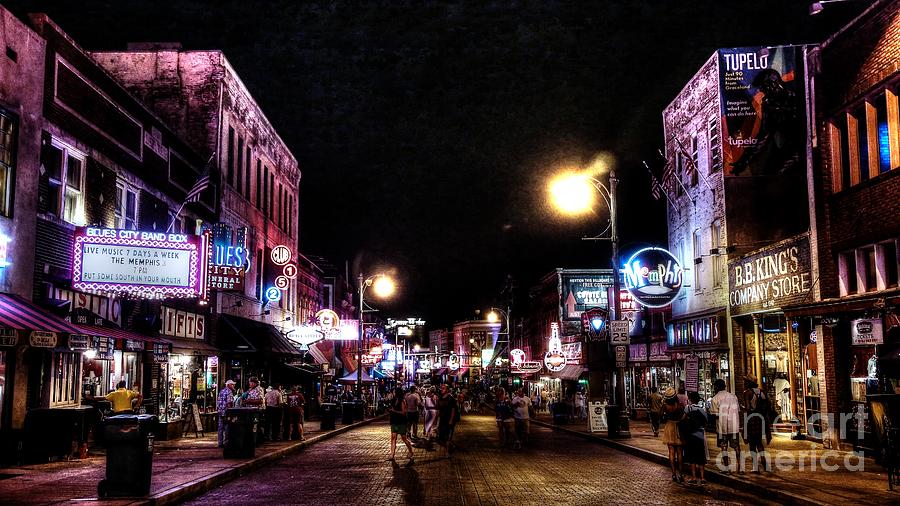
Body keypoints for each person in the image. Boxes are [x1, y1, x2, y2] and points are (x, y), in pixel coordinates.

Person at [709, 378, 742, 472]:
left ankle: (726, 467)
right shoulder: (733, 396)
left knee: (724, 447)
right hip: (734, 425)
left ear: (716, 387)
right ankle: (739, 467)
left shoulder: (715, 398)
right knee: (736, 446)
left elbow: (714, 414)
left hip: (722, 426)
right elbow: (738, 410)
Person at [742, 375, 772, 472]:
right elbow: (768, 405)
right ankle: (763, 461)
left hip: (751, 419)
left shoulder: (748, 393)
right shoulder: (762, 392)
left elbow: (747, 408)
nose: (744, 383)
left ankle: (755, 466)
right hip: (761, 419)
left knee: (752, 443)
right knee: (759, 442)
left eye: (746, 381)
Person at [680, 391, 709, 485]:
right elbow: (706, 421)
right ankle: (703, 477)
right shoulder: (701, 409)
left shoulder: (687, 408)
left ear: (690, 400)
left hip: (690, 435)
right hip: (700, 435)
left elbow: (683, 420)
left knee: (692, 456)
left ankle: (693, 477)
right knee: (700, 456)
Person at [660, 387, 685, 482]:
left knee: (671, 452)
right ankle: (681, 473)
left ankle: (674, 473)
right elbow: (683, 416)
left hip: (670, 426)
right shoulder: (679, 405)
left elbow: (660, 415)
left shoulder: (666, 406)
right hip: (678, 427)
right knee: (679, 452)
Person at [388, 387, 414, 463]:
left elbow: (404, 412)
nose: (393, 393)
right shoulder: (393, 400)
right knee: (393, 437)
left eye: (394, 392)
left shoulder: (402, 401)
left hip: (401, 422)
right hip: (394, 421)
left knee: (404, 438)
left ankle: (410, 451)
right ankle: (392, 455)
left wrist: (394, 411)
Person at [436, 383, 459, 457]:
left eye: (443, 388)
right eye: (441, 388)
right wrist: (437, 423)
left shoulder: (450, 398)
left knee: (448, 437)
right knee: (441, 437)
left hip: (449, 420)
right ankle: (451, 446)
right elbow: (438, 411)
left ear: (447, 390)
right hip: (442, 420)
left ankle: (447, 452)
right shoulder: (440, 398)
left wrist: (451, 420)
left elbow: (453, 410)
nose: (442, 389)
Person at [216, 380, 236, 447]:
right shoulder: (229, 392)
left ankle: (220, 443)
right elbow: (229, 403)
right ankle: (226, 442)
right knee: (227, 427)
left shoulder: (221, 391)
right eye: (232, 384)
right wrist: (231, 412)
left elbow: (218, 401)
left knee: (220, 428)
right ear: (228, 385)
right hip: (226, 412)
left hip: (220, 411)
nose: (233, 386)